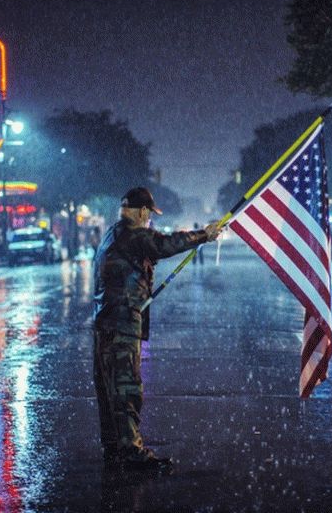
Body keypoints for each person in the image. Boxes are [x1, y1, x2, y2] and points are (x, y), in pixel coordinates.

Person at [92, 187, 221, 471]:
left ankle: (114, 447)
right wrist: (204, 235)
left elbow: (151, 252)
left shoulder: (113, 235)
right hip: (121, 324)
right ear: (141, 212)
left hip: (104, 323)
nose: (149, 220)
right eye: (149, 215)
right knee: (126, 389)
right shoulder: (134, 235)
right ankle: (132, 452)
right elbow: (164, 244)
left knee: (109, 389)